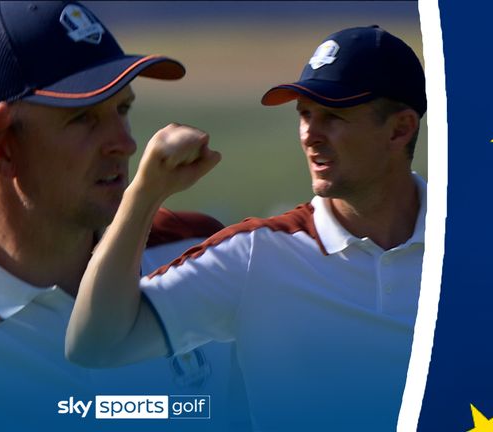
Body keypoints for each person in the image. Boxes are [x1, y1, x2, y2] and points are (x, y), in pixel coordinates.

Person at [0, 1, 248, 431]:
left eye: (123, 110)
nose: (124, 143)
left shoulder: (193, 250)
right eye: (83, 119)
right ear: (0, 147)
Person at [67, 25, 427, 431]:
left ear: (400, 129)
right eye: (304, 115)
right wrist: (145, 194)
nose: (310, 135)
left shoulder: (482, 247)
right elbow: (94, 344)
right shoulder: (256, 253)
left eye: (333, 116)